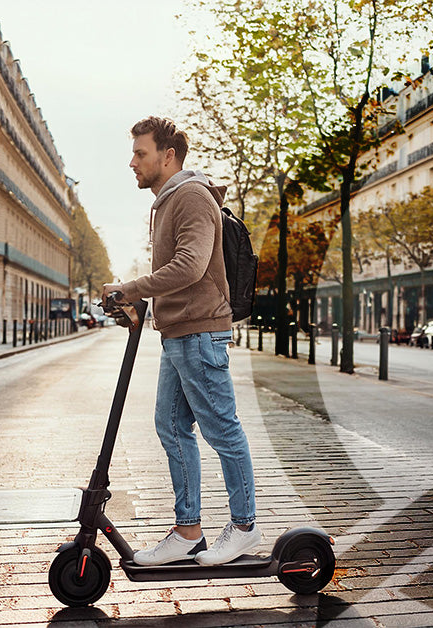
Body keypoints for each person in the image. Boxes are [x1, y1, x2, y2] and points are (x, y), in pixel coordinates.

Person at [102, 116, 259, 567]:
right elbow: (178, 273)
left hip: (200, 332)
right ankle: (188, 531)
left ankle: (245, 526)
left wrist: (130, 288)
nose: (132, 162)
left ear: (167, 155)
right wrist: (139, 305)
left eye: (141, 153)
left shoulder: (190, 196)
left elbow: (191, 266)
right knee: (171, 427)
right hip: (178, 333)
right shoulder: (167, 201)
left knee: (222, 429)